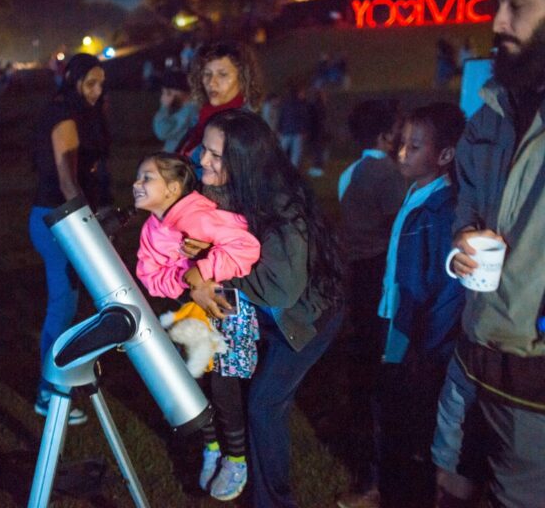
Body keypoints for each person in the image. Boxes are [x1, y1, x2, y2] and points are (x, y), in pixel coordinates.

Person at [183, 109, 345, 507]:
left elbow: (279, 288)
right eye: (204, 150)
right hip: (267, 318)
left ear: (244, 160)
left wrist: (212, 273)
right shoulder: (222, 189)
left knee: (264, 404)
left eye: (215, 155)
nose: (202, 160)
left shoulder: (281, 206)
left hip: (304, 320)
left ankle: (272, 501)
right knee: (238, 388)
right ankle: (237, 465)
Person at [444, 0, 545, 504]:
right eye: (496, 4)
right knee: (457, 484)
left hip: (534, 373)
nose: (498, 21)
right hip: (475, 353)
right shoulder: (492, 106)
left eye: (518, 6)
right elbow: (467, 193)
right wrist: (463, 237)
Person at [133, 152, 261, 500]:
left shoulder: (197, 215)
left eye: (147, 178)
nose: (136, 184)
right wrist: (185, 279)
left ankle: (237, 458)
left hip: (226, 309)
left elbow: (246, 245)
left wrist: (203, 269)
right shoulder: (151, 230)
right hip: (190, 315)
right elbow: (149, 276)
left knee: (224, 385)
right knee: (196, 383)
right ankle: (212, 447)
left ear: (173, 188)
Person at [363, 103, 466, 508]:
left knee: (406, 418)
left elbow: (446, 288)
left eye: (415, 146)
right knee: (389, 408)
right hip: (399, 322)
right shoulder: (416, 193)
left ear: (444, 156)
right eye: (402, 143)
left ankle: (402, 492)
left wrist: (427, 347)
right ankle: (387, 487)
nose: (402, 152)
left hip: (417, 335)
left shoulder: (442, 211)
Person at [29, 53, 109, 426]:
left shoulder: (71, 110)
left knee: (66, 303)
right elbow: (66, 180)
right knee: (62, 306)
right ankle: (50, 390)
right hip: (59, 221)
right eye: (91, 83)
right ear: (75, 81)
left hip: (55, 218)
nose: (97, 90)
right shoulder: (64, 115)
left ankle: (56, 382)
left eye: (101, 83)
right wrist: (86, 224)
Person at [335, 99, 406, 506]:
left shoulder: (349, 173)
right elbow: (397, 229)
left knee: (362, 357)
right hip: (379, 274)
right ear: (386, 136)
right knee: (379, 366)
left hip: (356, 273)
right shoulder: (389, 177)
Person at [176, 41, 263, 165]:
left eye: (222, 75)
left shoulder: (243, 130)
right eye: (207, 74)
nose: (212, 82)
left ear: (243, 78)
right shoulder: (201, 116)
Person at [152, 70, 198, 152]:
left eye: (168, 93)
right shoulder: (186, 109)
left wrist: (164, 107)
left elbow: (162, 131)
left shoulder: (190, 111)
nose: (164, 97)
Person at [277, 84, 311, 169]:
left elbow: (281, 117)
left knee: (282, 151)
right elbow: (304, 118)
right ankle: (292, 171)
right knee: (296, 153)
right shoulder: (301, 104)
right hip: (297, 131)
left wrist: (279, 129)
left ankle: (279, 169)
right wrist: (305, 130)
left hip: (286, 130)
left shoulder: (285, 104)